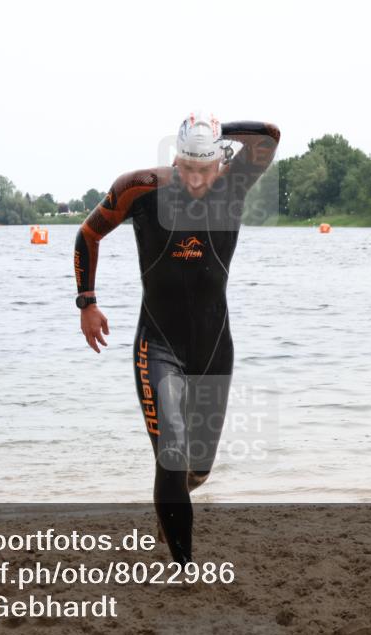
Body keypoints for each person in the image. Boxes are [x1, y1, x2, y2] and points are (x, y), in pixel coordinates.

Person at [73, 111, 280, 564]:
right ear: (175, 159)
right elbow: (89, 233)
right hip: (158, 344)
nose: (195, 178)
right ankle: (185, 567)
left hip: (213, 348)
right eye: (187, 167)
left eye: (204, 168)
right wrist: (87, 301)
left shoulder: (234, 184)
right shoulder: (140, 188)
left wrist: (216, 130)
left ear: (220, 161)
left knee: (196, 471)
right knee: (171, 452)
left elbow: (269, 135)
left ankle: (169, 509)